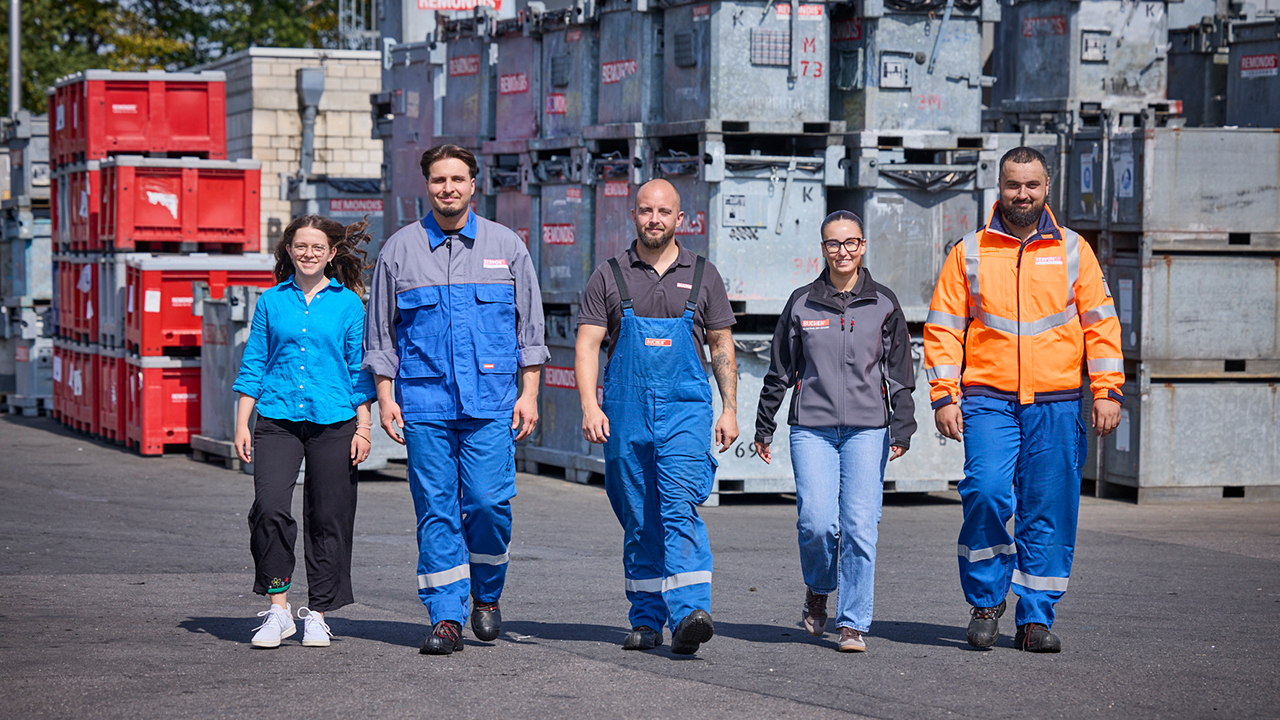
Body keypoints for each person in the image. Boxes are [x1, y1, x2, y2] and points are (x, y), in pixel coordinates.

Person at [923, 147, 1124, 653]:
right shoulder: (968, 251)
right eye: (1014, 185)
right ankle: (987, 603)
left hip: (1056, 401)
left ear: (1047, 186)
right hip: (988, 398)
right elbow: (944, 329)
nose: (1023, 194)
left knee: (1047, 509)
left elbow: (1101, 325)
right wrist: (944, 396)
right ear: (1000, 186)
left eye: (1032, 185)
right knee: (987, 492)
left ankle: (1035, 617)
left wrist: (1107, 390)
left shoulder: (1075, 249)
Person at [364, 144, 547, 656]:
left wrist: (529, 394)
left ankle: (486, 597)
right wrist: (385, 398)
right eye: (439, 180)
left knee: (488, 505)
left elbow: (529, 330)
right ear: (426, 185)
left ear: (474, 184)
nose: (448, 188)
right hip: (424, 404)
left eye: (457, 179)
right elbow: (380, 337)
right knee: (436, 511)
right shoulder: (399, 251)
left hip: (490, 404)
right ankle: (446, 617)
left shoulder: (506, 246)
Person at [575, 178, 738, 656]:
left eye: (663, 212)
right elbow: (586, 343)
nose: (654, 219)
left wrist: (729, 409)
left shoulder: (704, 275)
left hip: (686, 409)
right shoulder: (609, 275)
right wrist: (589, 404)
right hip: (625, 411)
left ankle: (690, 613)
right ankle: (646, 620)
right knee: (639, 516)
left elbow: (721, 346)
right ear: (634, 215)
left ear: (679, 219)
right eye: (645, 211)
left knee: (679, 506)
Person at [753, 210, 916, 653]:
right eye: (832, 244)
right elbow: (780, 370)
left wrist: (902, 424)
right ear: (822, 248)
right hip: (813, 429)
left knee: (861, 526)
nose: (842, 252)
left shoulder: (883, 302)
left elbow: (899, 371)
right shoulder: (802, 302)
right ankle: (819, 587)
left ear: (863, 246)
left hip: (868, 429)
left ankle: (853, 623)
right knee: (817, 523)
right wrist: (764, 426)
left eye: (850, 243)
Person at [233, 215, 377, 649]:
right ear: (289, 251)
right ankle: (278, 609)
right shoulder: (272, 302)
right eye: (301, 246)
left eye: (318, 247)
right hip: (276, 419)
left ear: (332, 253)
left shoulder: (349, 305)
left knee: (328, 515)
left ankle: (317, 613)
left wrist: (364, 427)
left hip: (335, 421)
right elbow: (254, 362)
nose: (309, 253)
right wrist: (243, 421)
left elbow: (359, 371)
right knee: (269, 507)